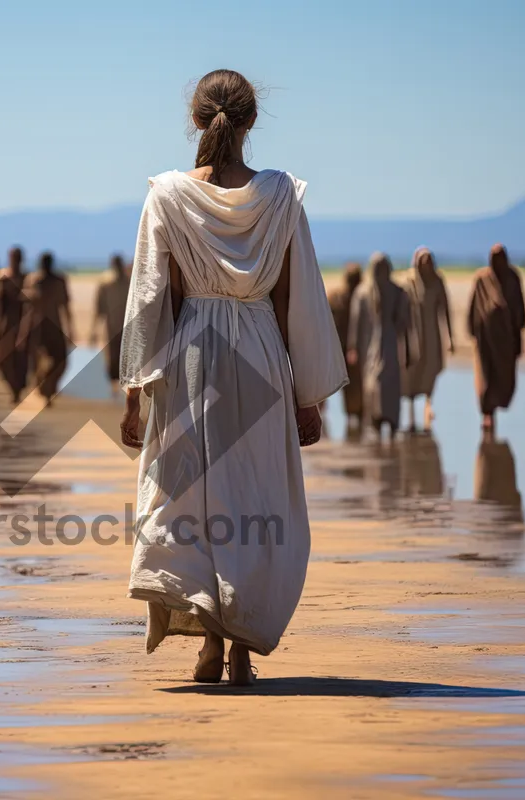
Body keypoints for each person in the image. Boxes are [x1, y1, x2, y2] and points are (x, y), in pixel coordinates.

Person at [118, 69, 346, 686]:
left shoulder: (166, 194)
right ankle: (238, 646)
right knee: (254, 497)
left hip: (192, 356)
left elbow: (148, 299)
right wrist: (307, 396)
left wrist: (135, 394)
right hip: (262, 360)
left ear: (198, 121)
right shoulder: (279, 195)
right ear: (249, 122)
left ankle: (213, 649)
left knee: (194, 501)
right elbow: (296, 299)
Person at [348, 252, 410, 438]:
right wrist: (352, 346)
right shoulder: (363, 293)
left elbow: (404, 321)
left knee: (388, 383)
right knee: (372, 384)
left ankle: (390, 420)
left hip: (391, 346)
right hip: (369, 346)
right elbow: (356, 322)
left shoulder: (397, 292)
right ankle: (375, 419)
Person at [468, 244, 525, 432]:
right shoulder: (482, 279)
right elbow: (473, 306)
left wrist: (519, 332)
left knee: (505, 377)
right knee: (486, 376)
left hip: (506, 340)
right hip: (485, 339)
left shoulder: (512, 278)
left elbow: (520, 307)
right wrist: (472, 329)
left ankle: (497, 406)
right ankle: (487, 414)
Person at [401, 247, 453, 431]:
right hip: (414, 333)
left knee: (431, 369)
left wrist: (450, 338)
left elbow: (445, 310)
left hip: (432, 334)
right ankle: (411, 415)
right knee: (412, 372)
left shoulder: (437, 281)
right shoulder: (409, 282)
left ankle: (428, 406)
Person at [23, 252, 74, 405]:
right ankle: (44, 387)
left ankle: (47, 386)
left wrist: (70, 328)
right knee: (38, 360)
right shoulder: (34, 280)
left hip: (52, 325)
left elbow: (65, 305)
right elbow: (27, 308)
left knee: (60, 360)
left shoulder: (58, 280)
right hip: (38, 325)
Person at [0, 247, 31, 403]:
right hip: (6, 323)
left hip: (22, 322)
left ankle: (17, 391)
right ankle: (12, 387)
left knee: (21, 359)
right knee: (1, 359)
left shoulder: (26, 278)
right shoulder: (3, 278)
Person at [327, 263, 364, 428]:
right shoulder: (358, 297)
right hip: (349, 348)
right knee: (355, 384)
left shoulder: (338, 297)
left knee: (348, 385)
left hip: (342, 348)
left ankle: (352, 417)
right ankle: (354, 416)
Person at [94, 254, 131, 391]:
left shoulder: (129, 284)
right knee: (114, 357)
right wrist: (94, 330)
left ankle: (123, 386)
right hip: (113, 327)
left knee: (126, 357)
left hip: (127, 327)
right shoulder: (107, 285)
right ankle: (114, 387)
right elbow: (99, 308)